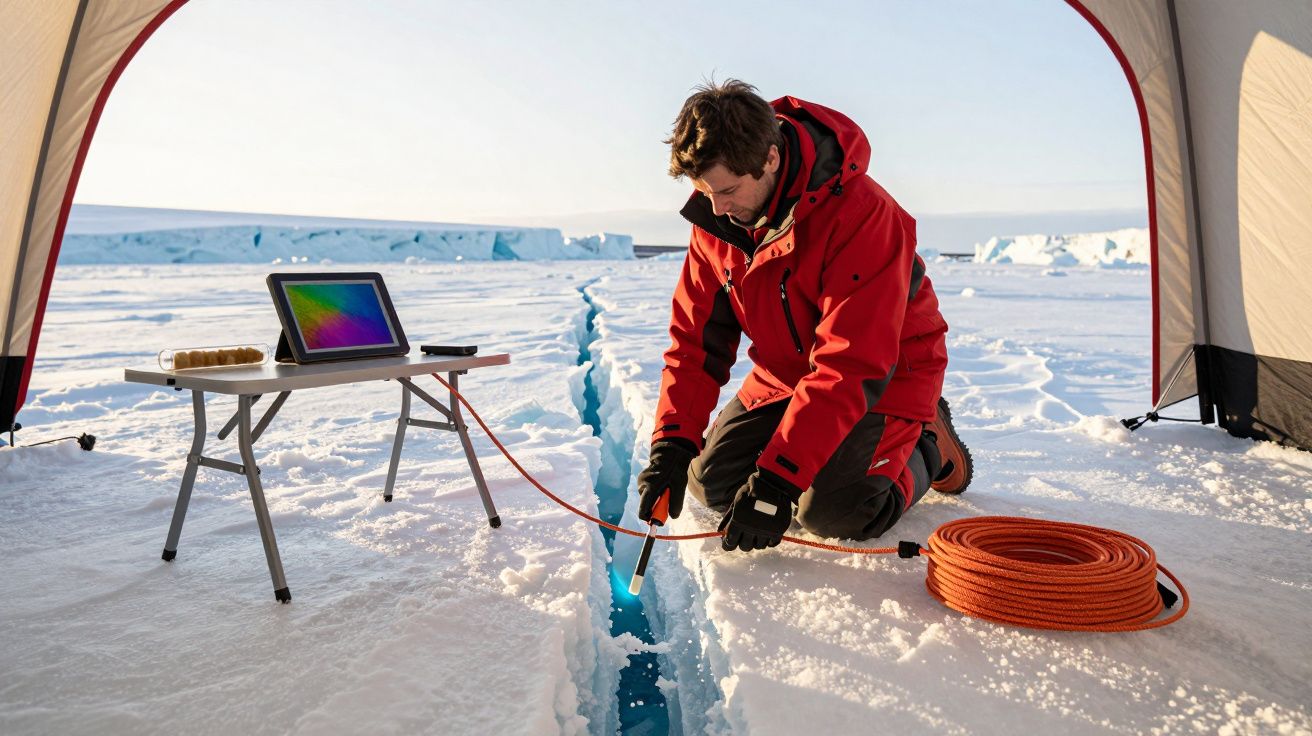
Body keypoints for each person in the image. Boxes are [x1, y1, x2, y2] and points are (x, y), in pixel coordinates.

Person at [636, 80, 973, 552]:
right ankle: (810, 447)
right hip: (788, 374)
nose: (716, 208)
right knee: (709, 483)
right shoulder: (718, 221)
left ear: (770, 158)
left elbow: (851, 363)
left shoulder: (863, 214)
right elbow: (695, 344)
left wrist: (778, 480)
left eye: (728, 190)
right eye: (704, 190)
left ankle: (925, 444)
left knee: (835, 512)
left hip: (888, 375)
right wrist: (671, 443)